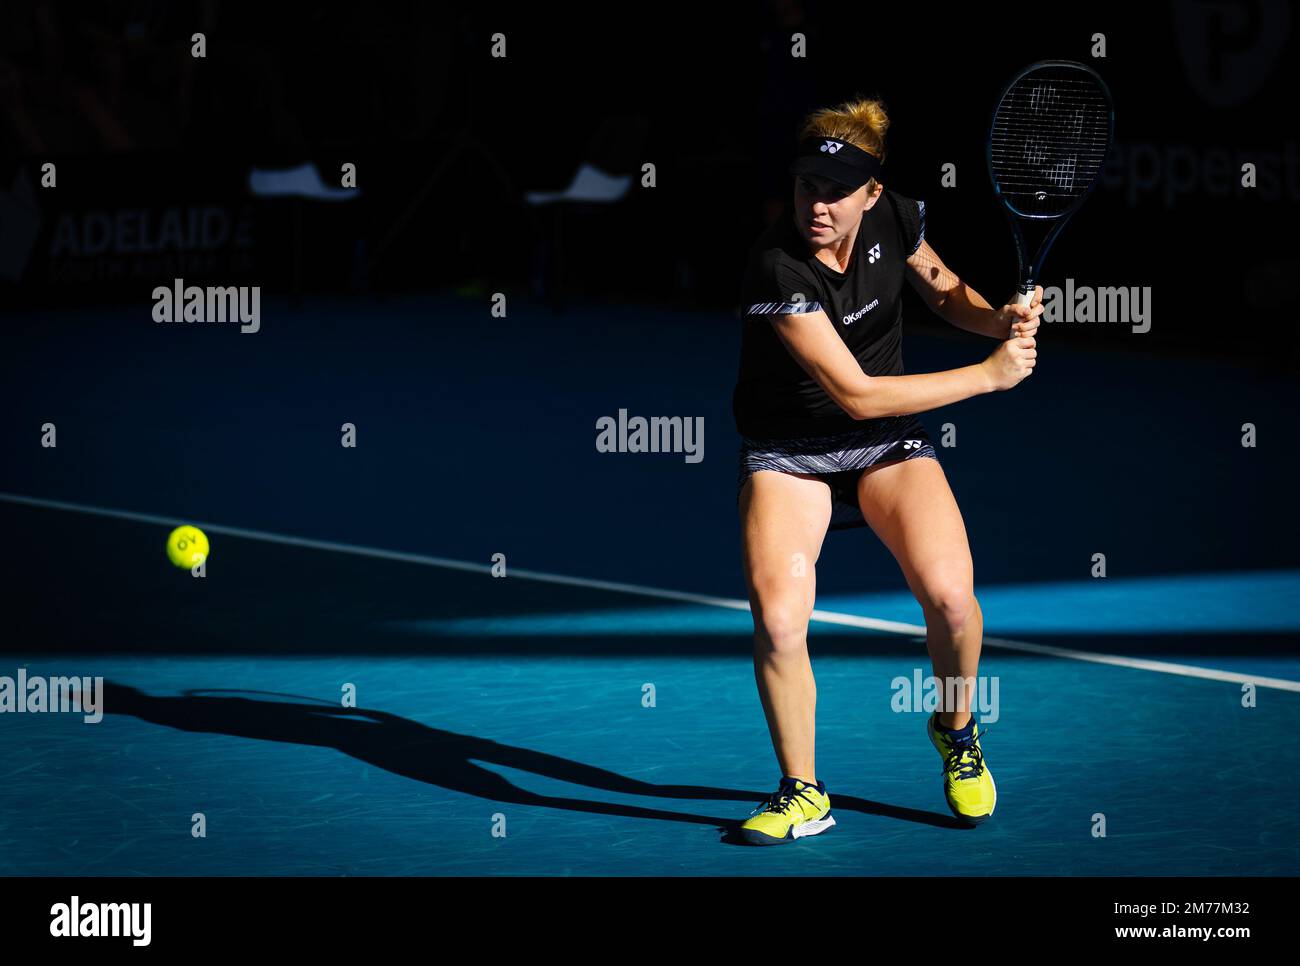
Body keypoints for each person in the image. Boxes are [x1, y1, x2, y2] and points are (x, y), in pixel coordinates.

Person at [733, 98, 1043, 844]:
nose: (818, 204)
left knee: (953, 601)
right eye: (808, 185)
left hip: (885, 447)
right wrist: (990, 375)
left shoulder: (897, 218)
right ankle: (803, 792)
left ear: (872, 194)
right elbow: (856, 393)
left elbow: (943, 291)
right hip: (791, 453)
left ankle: (957, 731)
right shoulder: (777, 262)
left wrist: (1000, 319)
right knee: (778, 621)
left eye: (837, 191)